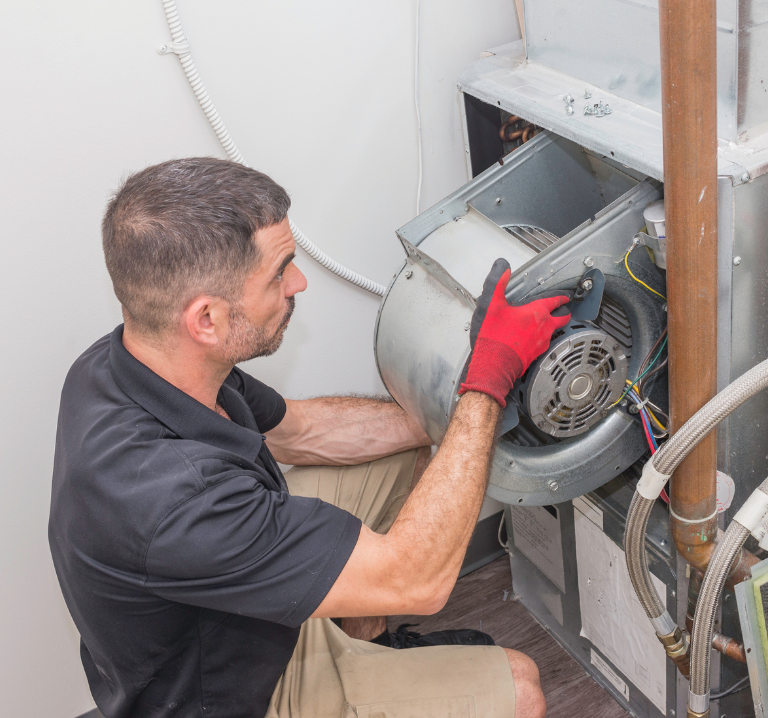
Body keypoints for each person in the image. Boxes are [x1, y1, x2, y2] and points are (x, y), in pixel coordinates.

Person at [49, 158, 570, 718]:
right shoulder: (176, 502)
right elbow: (420, 581)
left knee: (411, 445)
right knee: (521, 688)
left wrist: (456, 393)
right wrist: (490, 377)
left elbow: (302, 432)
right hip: (237, 698)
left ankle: (367, 646)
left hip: (242, 619)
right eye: (280, 272)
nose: (298, 282)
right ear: (207, 320)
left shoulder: (126, 365)